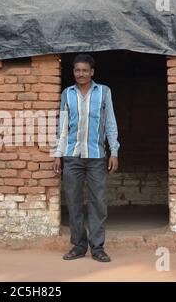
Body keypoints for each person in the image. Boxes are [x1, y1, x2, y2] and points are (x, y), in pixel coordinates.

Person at [53, 54, 119, 263]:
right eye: (77, 70)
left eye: (84, 70)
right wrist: (58, 153)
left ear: (92, 72)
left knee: (98, 202)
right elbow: (63, 127)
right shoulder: (67, 94)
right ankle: (78, 246)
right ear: (73, 72)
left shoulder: (104, 92)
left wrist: (114, 151)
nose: (80, 74)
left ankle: (97, 247)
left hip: (97, 156)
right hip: (72, 156)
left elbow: (110, 124)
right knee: (73, 202)